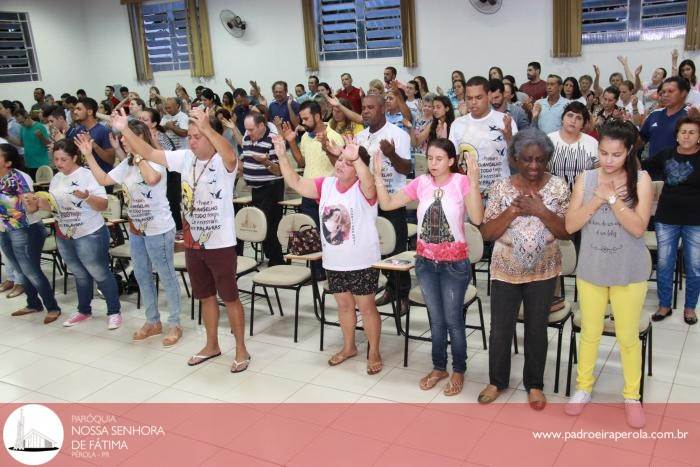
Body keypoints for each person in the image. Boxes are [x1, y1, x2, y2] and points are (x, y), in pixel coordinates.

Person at [114, 107, 251, 371]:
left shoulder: (223, 162)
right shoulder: (185, 158)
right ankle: (212, 345)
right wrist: (125, 130)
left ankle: (242, 350)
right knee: (205, 295)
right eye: (190, 135)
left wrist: (208, 127)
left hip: (220, 243)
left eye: (197, 136)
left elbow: (231, 155)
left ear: (211, 137)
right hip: (192, 242)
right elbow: (150, 153)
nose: (192, 140)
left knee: (230, 297)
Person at [375, 138, 484, 395]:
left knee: (453, 320)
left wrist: (476, 181)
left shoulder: (461, 182)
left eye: (439, 159)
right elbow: (387, 204)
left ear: (451, 161)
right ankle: (439, 366)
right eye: (430, 158)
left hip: (454, 264)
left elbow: (478, 218)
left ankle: (458, 369)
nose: (433, 164)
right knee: (435, 319)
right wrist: (378, 176)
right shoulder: (421, 183)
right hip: (425, 263)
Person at [565, 121, 653, 428]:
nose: (608, 160)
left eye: (616, 154)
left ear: (628, 151)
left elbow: (639, 227)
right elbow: (570, 225)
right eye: (603, 153)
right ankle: (584, 387)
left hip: (629, 270)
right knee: (590, 333)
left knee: (628, 337)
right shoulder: (586, 178)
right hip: (591, 269)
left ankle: (631, 395)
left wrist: (614, 199)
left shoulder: (640, 179)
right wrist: (597, 199)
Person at [272, 133, 384, 375]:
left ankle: (374, 350)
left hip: (362, 261)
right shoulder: (326, 185)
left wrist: (358, 160)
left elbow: (368, 181)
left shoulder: (364, 188)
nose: (340, 164)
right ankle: (349, 347)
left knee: (366, 308)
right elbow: (295, 182)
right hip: (334, 262)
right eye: (340, 160)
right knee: (344, 306)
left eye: (347, 162)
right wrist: (282, 156)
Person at [477, 128, 570, 410]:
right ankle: (497, 381)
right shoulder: (501, 188)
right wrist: (513, 211)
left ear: (547, 160)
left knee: (536, 328)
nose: (533, 166)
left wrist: (541, 210)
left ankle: (535, 385)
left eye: (540, 160)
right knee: (501, 328)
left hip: (543, 270)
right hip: (506, 269)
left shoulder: (558, 187)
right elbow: (486, 233)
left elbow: (566, 232)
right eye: (527, 159)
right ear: (515, 158)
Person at [78, 121, 183, 345]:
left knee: (166, 276)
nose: (122, 141)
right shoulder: (127, 163)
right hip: (136, 229)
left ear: (138, 138)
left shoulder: (155, 158)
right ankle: (153, 321)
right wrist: (88, 155)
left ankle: (175, 323)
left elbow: (153, 179)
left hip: (159, 228)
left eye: (126, 137)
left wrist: (138, 155)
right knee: (143, 275)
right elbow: (104, 180)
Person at [26, 139, 122, 329]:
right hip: (65, 233)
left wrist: (86, 196)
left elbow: (103, 205)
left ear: (75, 157)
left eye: (64, 159)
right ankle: (84, 310)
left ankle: (114, 311)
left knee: (100, 272)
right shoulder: (56, 178)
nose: (59, 163)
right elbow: (54, 207)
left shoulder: (88, 175)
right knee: (79, 274)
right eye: (56, 159)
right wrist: (37, 203)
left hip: (90, 232)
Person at [355, 94, 412, 314]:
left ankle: (403, 294)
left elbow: (406, 168)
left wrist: (391, 154)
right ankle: (389, 287)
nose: (366, 111)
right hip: (367, 201)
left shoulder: (398, 134)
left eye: (370, 107)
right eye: (363, 108)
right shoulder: (360, 137)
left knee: (395, 250)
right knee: (376, 248)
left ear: (382, 109)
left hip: (392, 200)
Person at [643, 117, 700, 325]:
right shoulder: (666, 154)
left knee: (694, 267)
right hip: (666, 218)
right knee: (665, 264)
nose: (687, 136)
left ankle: (690, 308)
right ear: (676, 135)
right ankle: (664, 305)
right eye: (683, 132)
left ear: (699, 137)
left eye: (692, 132)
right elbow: (642, 167)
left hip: (696, 220)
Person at [0, 143, 61, 323]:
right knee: (20, 269)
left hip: (25, 229)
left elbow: (31, 206)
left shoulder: (19, 177)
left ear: (8, 162)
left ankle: (52, 307)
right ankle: (33, 303)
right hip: (5, 230)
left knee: (31, 271)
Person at [448, 76, 517, 194]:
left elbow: (516, 161)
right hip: (470, 192)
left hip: (500, 191)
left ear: (489, 96)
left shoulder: (504, 120)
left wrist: (509, 138)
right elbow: (453, 162)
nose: (473, 102)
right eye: (469, 98)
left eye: (478, 97)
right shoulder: (457, 124)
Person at [240, 113, 285, 266]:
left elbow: (279, 171)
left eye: (251, 129)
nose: (248, 133)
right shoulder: (246, 138)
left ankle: (277, 260)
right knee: (260, 224)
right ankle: (269, 256)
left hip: (271, 188)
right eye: (247, 129)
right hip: (255, 188)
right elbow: (244, 160)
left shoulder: (273, 140)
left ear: (261, 126)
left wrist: (265, 162)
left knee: (269, 225)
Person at [547, 102, 599, 189]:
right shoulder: (549, 139)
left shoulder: (592, 143)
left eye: (578, 118)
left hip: (583, 195)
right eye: (570, 115)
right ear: (562, 118)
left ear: (584, 123)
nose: (573, 121)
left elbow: (599, 172)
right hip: (552, 194)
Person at [641, 76, 690, 159]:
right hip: (654, 168)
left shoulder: (690, 115)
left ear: (683, 93)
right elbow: (641, 139)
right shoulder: (654, 114)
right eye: (663, 92)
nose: (665, 95)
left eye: (670, 91)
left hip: (681, 169)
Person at [73, 98, 115, 173]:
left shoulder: (104, 131)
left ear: (89, 112)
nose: (75, 112)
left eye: (79, 109)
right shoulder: (79, 130)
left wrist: (94, 145)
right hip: (86, 177)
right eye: (75, 109)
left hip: (102, 179)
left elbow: (111, 160)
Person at [15, 109, 51, 179]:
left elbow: (48, 144)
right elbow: (22, 143)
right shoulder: (22, 128)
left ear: (27, 117)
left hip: (41, 163)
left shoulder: (40, 126)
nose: (22, 124)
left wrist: (41, 137)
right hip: (29, 164)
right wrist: (7, 137)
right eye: (19, 123)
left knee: (43, 187)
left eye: (22, 122)